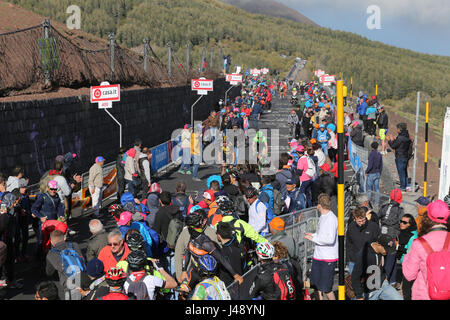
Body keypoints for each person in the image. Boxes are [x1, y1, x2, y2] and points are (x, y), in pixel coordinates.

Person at [179, 208, 243, 293]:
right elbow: (187, 252)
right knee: (182, 293)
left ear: (193, 227)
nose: (188, 230)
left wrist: (235, 275)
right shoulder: (193, 237)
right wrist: (183, 271)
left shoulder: (205, 243)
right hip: (193, 272)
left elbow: (221, 258)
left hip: (206, 276)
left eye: (189, 228)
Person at [403, 200, 450, 300]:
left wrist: (407, 255)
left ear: (427, 217)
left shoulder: (419, 243)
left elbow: (409, 275)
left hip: (424, 295)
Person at [304, 193, 338, 300]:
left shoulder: (331, 218)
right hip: (318, 256)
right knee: (316, 286)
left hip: (328, 258)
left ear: (320, 205)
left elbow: (330, 239)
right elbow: (322, 234)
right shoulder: (323, 217)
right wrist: (313, 235)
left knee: (326, 288)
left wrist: (313, 239)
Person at [351, 234, 403, 300]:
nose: (387, 252)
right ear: (378, 244)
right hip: (368, 291)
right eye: (386, 249)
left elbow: (382, 266)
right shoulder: (364, 255)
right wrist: (359, 296)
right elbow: (355, 277)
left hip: (383, 285)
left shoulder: (383, 252)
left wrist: (384, 277)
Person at [46, 230, 85, 300]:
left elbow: (49, 272)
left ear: (51, 242)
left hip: (69, 285)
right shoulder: (74, 245)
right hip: (83, 278)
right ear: (64, 238)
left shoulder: (51, 255)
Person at [345, 207, 380, 275]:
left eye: (363, 220)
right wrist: (351, 258)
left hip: (369, 261)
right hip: (354, 261)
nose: (361, 223)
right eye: (359, 221)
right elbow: (349, 244)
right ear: (354, 219)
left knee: (368, 284)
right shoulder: (351, 227)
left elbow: (378, 242)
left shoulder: (373, 226)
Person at [394, 214, 418, 299]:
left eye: (404, 222)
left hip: (409, 265)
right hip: (403, 263)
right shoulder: (404, 232)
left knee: (406, 289)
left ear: (410, 224)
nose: (401, 224)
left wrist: (397, 246)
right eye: (401, 221)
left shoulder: (413, 236)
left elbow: (410, 252)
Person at [387, 123, 412, 191]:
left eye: (397, 129)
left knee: (401, 172)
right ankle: (406, 185)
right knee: (405, 172)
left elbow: (394, 146)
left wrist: (390, 140)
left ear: (400, 130)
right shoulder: (407, 136)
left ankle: (403, 187)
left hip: (400, 157)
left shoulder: (400, 138)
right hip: (406, 156)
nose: (396, 130)